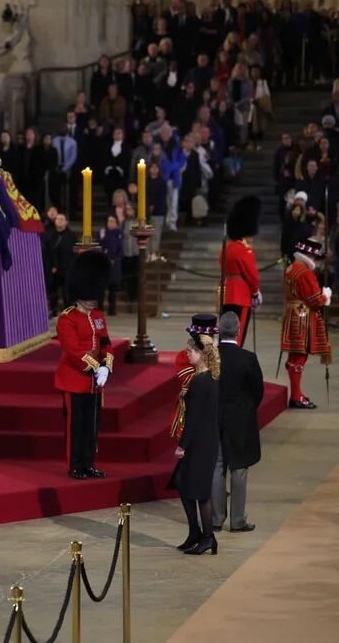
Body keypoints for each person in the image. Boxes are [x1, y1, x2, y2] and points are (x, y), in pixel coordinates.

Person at [55, 250, 113, 480]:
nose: (92, 299)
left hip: (95, 384)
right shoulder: (67, 318)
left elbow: (106, 342)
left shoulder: (98, 315)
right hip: (74, 380)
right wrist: (95, 367)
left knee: (92, 426)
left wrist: (107, 366)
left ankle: (89, 463)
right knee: (76, 427)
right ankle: (75, 465)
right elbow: (72, 352)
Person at [171, 326, 220, 556]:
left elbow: (194, 418)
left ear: (200, 354)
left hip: (200, 442)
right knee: (183, 483)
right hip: (205, 440)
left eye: (190, 351)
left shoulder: (201, 381)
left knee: (199, 491)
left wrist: (182, 445)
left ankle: (208, 537)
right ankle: (195, 533)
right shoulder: (206, 377)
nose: (187, 354)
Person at [213, 311, 263, 533]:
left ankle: (216, 518)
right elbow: (258, 391)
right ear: (238, 330)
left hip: (214, 418)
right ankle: (237, 520)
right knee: (239, 469)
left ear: (219, 331)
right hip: (240, 420)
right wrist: (247, 409)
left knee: (216, 468)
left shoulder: (210, 357)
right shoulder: (248, 358)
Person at [281, 239, 332, 409]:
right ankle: (296, 397)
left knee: (294, 356)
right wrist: (325, 296)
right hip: (303, 317)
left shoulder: (291, 267)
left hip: (292, 314)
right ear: (310, 255)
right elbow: (315, 301)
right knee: (300, 357)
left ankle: (296, 394)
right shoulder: (305, 272)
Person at [220, 196, 262, 346]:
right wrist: (255, 292)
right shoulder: (244, 250)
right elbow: (253, 276)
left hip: (227, 292)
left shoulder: (228, 247)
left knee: (225, 333)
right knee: (237, 335)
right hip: (241, 294)